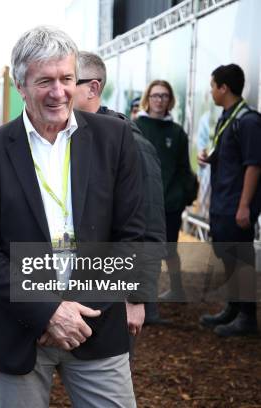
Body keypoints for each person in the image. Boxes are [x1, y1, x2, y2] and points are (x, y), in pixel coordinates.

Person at [0, 26, 144, 407]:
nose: (59, 91)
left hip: (97, 324)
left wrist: (71, 311)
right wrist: (46, 311)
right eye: (45, 80)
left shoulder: (115, 139)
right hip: (18, 330)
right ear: (20, 85)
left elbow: (133, 235)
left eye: (66, 78)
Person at [73, 51, 167, 332]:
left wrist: (137, 297)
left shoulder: (130, 142)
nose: (58, 90)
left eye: (68, 80)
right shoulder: (65, 137)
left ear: (93, 87)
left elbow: (150, 224)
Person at [199, 64, 260, 337]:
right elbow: (231, 156)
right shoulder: (227, 118)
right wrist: (210, 157)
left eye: (213, 86)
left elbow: (254, 165)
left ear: (224, 88)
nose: (211, 91)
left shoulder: (248, 121)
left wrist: (245, 205)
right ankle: (233, 308)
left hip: (237, 204)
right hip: (223, 203)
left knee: (241, 258)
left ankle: (247, 316)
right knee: (227, 255)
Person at [135, 80, 195, 302]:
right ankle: (140, 296)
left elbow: (183, 168)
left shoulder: (177, 132)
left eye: (164, 96)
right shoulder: (135, 126)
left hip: (170, 203)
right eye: (155, 96)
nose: (159, 100)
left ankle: (177, 289)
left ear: (170, 100)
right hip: (140, 203)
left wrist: (183, 196)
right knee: (142, 251)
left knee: (170, 249)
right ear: (147, 99)